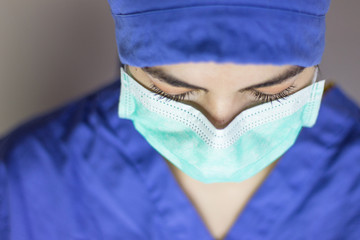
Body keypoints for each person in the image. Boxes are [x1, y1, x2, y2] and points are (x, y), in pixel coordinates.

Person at [1, 1, 359, 240]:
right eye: (175, 94)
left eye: (271, 94)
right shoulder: (26, 186)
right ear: (130, 64)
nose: (220, 133)